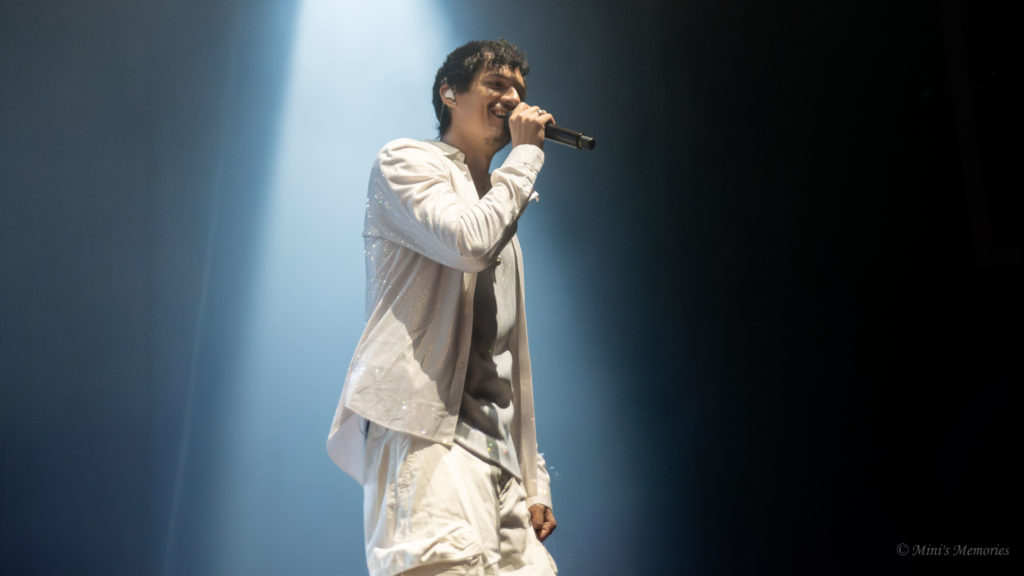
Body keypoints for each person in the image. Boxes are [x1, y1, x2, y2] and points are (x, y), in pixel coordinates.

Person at [327, 39, 558, 576]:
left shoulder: (500, 210)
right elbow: (467, 242)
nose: (512, 98)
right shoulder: (405, 161)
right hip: (427, 440)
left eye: (519, 89)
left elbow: (503, 360)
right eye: (496, 84)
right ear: (449, 93)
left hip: (502, 468)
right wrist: (526, 157)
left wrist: (534, 478)